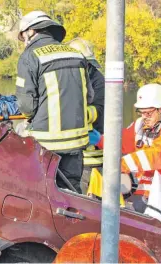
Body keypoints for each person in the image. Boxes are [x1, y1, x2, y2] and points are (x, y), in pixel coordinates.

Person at [90, 83, 161, 263]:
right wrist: (101, 140)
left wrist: (119, 165)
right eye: (141, 112)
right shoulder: (141, 124)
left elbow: (155, 156)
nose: (144, 117)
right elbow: (124, 140)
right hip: (146, 192)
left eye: (148, 113)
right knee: (137, 231)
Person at [15, 11, 94, 193]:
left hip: (47, 144)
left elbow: (27, 105)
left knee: (43, 193)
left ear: (31, 31)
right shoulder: (76, 54)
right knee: (71, 195)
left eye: (24, 36)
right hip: (76, 141)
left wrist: (30, 118)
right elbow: (89, 96)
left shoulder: (30, 57)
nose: (24, 41)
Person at [67, 38, 105, 193]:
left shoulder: (97, 80)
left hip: (91, 157)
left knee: (86, 200)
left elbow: (98, 111)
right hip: (72, 152)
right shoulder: (70, 79)